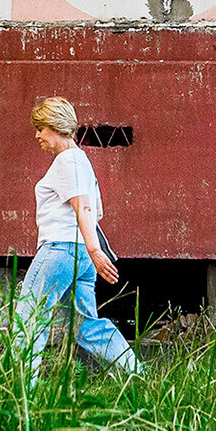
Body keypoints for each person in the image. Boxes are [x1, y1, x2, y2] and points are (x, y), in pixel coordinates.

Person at [17, 96, 141, 379]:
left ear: (56, 126)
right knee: (86, 326)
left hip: (60, 250)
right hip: (81, 257)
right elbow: (96, 210)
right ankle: (137, 375)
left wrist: (96, 251)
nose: (37, 135)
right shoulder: (82, 161)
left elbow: (83, 208)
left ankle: (22, 390)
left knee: (29, 319)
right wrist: (91, 252)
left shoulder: (67, 161)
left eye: (41, 128)